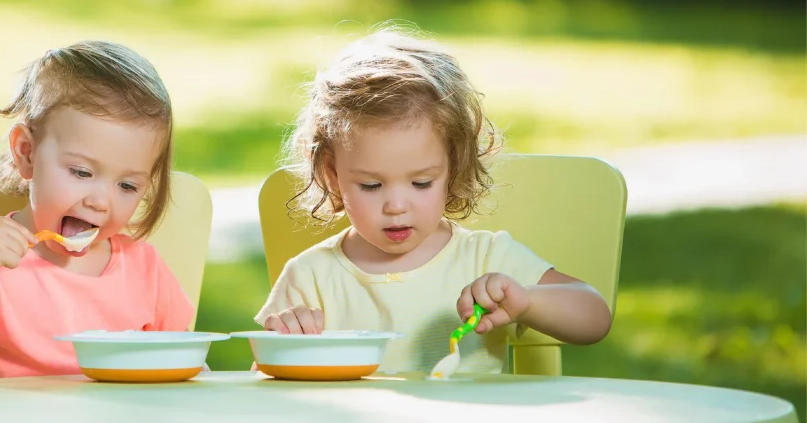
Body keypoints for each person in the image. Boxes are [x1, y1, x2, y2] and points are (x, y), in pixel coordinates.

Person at [255, 27, 612, 374]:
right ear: (333, 175)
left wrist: (528, 301)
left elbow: (594, 317)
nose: (396, 205)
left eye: (421, 182)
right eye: (370, 185)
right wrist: (286, 347)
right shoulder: (310, 278)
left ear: (453, 169)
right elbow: (265, 387)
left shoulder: (485, 259)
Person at [0, 41, 194, 379]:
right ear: (27, 152)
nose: (100, 201)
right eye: (82, 172)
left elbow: (181, 367)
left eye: (127, 186)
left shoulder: (145, 270)